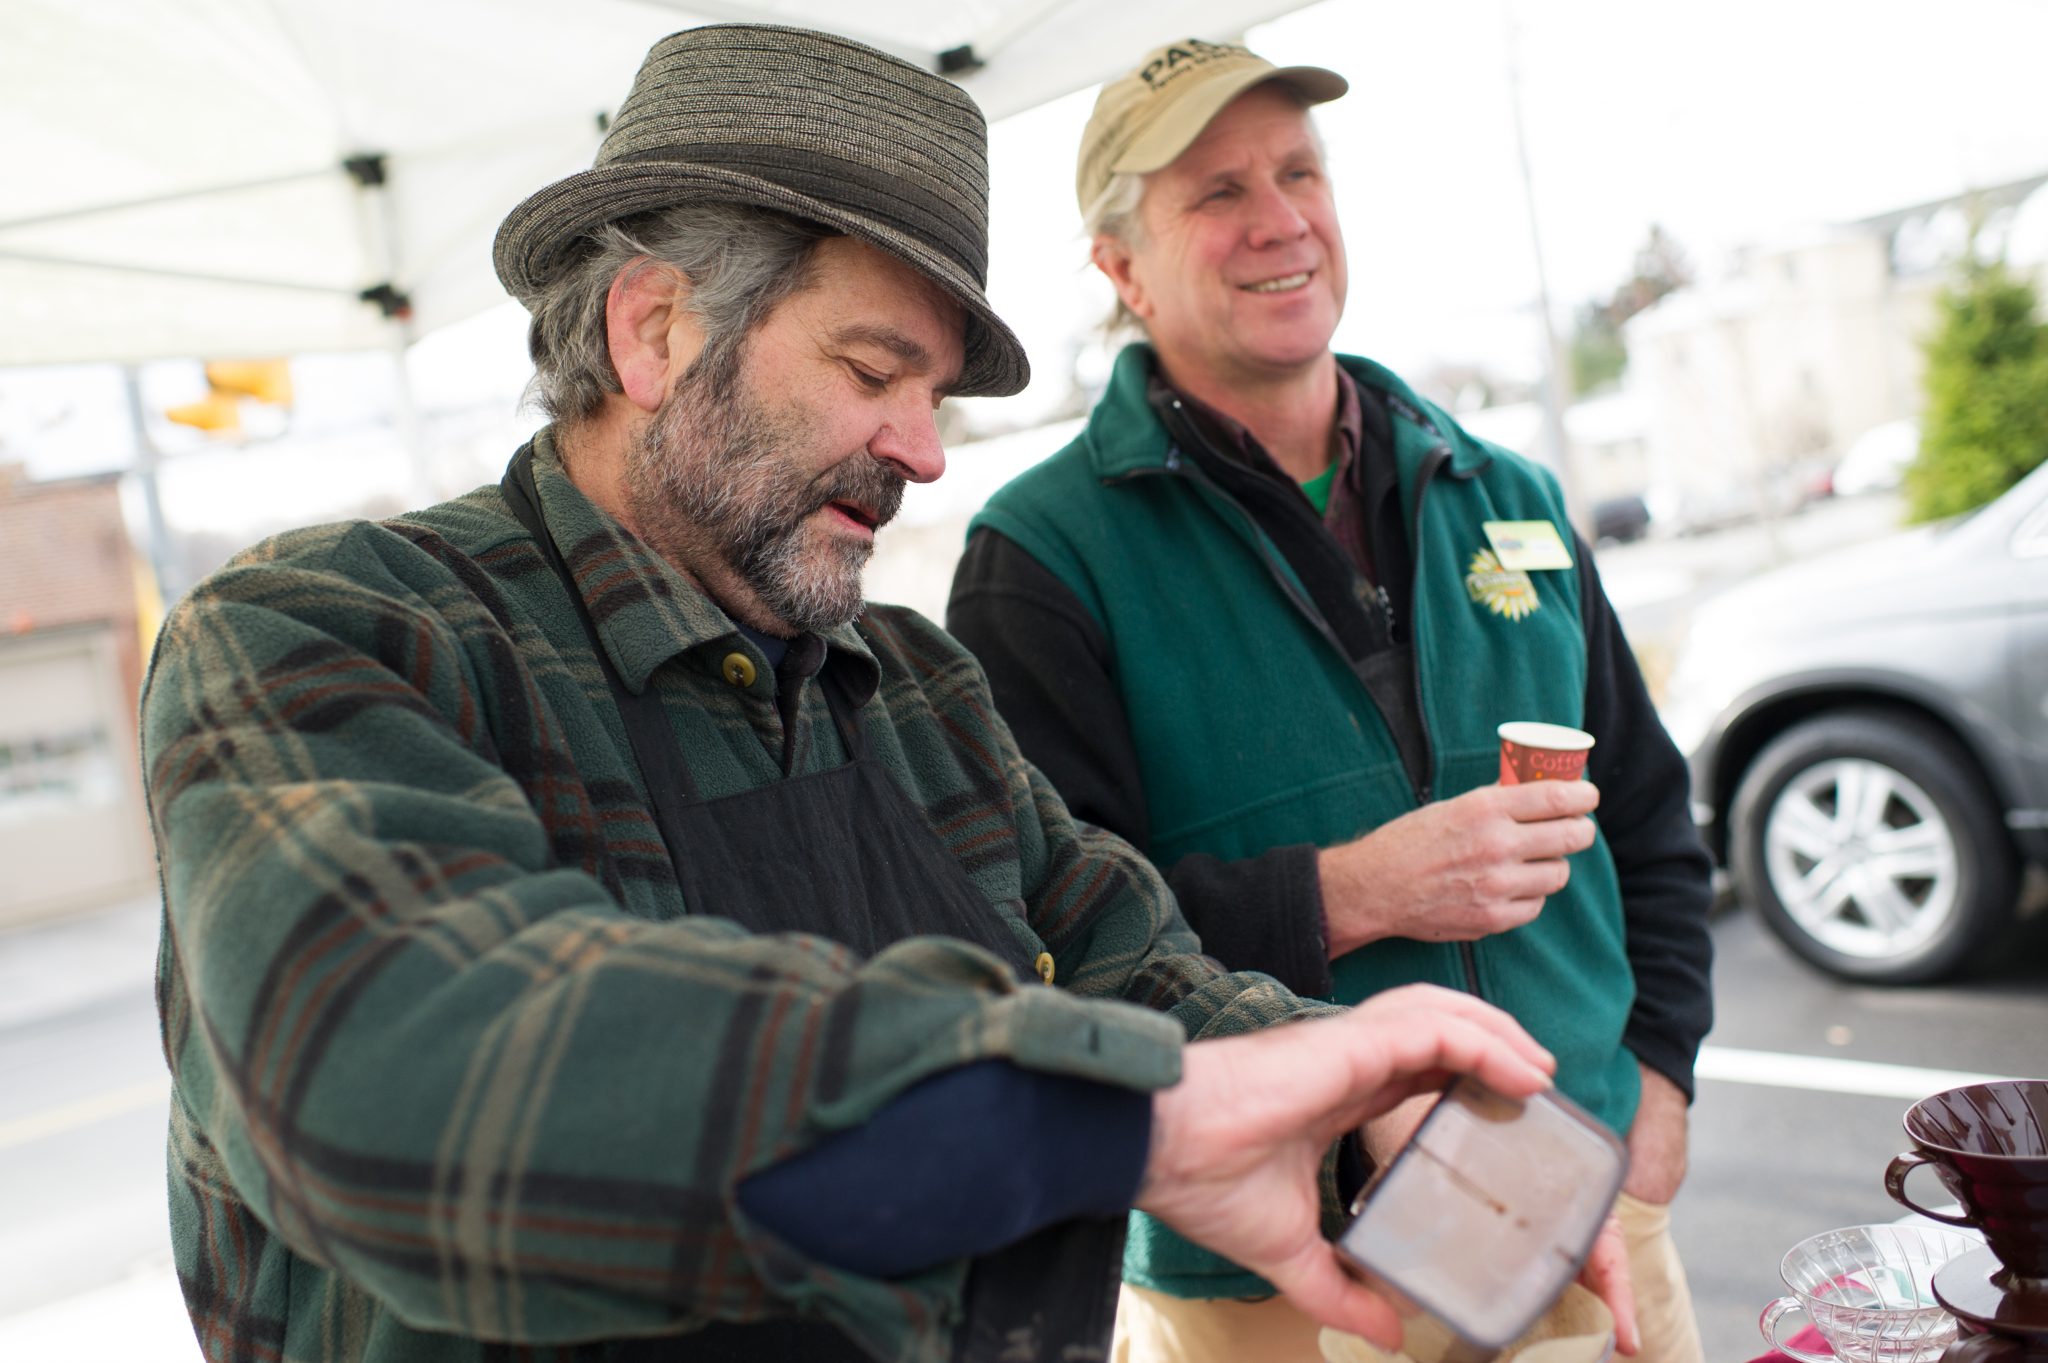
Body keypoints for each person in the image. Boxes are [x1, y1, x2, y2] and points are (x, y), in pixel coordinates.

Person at [139, 24, 1577, 1363]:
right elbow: (404, 1068)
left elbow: (1135, 964)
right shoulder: (326, 636)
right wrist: (1089, 1113)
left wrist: (1350, 1103)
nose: (926, 451)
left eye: (935, 397)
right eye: (874, 370)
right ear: (653, 331)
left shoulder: (917, 686)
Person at [945, 36, 1715, 1363]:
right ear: (1117, 266)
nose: (1280, 218)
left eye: (1300, 171)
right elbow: (1033, 942)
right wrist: (1352, 891)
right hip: (1274, 1274)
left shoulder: (1508, 495)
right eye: (1217, 191)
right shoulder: (1042, 561)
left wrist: (1663, 1073)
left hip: (1586, 1210)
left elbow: (1650, 815)